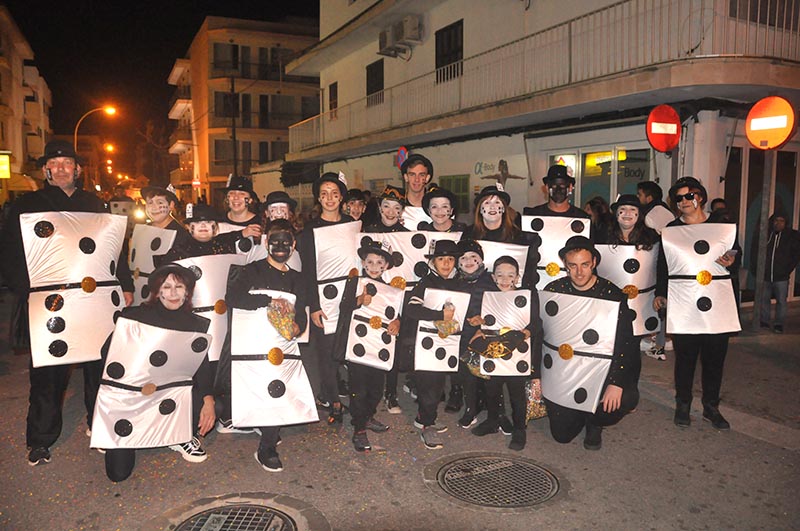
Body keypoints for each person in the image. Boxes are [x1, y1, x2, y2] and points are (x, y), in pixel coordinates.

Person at [0, 139, 134, 466]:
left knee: (98, 369)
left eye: (67, 163)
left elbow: (113, 248)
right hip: (50, 302)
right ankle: (40, 439)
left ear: (77, 169)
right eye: (54, 164)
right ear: (46, 170)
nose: (61, 169)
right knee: (48, 375)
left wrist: (125, 284)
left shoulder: (94, 203)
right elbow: (11, 252)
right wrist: (28, 290)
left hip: (93, 300)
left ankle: (99, 427)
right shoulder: (27, 205)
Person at [94, 264, 215, 481]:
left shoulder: (194, 324)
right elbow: (107, 355)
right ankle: (130, 435)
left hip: (171, 396)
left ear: (187, 292)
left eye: (179, 287)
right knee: (118, 474)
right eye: (166, 287)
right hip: (133, 397)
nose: (173, 293)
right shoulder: (135, 317)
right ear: (157, 292)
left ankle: (179, 436)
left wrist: (208, 400)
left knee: (216, 406)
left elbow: (201, 366)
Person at [221, 219, 309, 471]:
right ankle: (266, 426)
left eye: (286, 242)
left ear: (293, 245)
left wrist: (298, 327)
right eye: (275, 242)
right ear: (266, 243)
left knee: (277, 389)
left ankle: (267, 446)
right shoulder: (251, 271)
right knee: (258, 391)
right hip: (251, 344)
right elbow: (233, 298)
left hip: (281, 346)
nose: (280, 247)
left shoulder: (298, 278)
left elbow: (301, 311)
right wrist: (269, 300)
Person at [655, 177, 741, 430]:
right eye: (678, 198)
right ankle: (683, 403)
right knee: (685, 358)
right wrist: (661, 292)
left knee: (715, 359)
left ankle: (711, 407)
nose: (683, 201)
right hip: (684, 301)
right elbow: (663, 265)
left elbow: (736, 253)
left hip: (717, 301)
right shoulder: (671, 229)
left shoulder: (721, 225)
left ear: (700, 197)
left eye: (688, 196)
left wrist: (732, 261)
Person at [541, 236, 640, 450]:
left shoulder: (612, 294)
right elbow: (542, 335)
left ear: (594, 262)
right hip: (566, 371)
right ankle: (580, 411)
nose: (579, 272)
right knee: (562, 435)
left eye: (585, 264)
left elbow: (625, 342)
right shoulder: (554, 290)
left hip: (602, 370)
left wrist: (616, 383)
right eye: (573, 265)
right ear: (565, 265)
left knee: (626, 399)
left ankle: (595, 422)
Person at [334, 239, 402, 451]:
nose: (374, 266)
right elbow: (343, 307)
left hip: (379, 347)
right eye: (369, 262)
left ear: (386, 266)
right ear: (363, 263)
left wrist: (398, 322)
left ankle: (368, 416)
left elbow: (398, 314)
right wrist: (358, 300)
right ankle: (359, 428)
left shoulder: (392, 291)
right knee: (359, 390)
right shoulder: (355, 283)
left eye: (379, 263)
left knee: (376, 390)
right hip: (357, 346)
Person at [469, 256, 543, 451]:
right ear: (493, 277)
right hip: (492, 351)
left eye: (510, 275)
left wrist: (523, 334)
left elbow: (537, 322)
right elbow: (481, 320)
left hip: (517, 352)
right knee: (491, 389)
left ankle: (519, 429)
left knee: (517, 394)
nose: (504, 279)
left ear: (517, 277)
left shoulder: (526, 296)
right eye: (500, 275)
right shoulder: (488, 297)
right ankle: (493, 420)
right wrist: (477, 323)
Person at [298, 172, 355, 424]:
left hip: (351, 295)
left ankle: (354, 398)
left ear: (341, 197)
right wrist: (314, 306)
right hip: (323, 299)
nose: (329, 198)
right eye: (324, 194)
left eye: (334, 193)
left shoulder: (353, 226)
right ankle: (334, 401)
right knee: (327, 354)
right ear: (318, 199)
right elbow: (308, 271)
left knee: (351, 350)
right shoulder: (310, 231)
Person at [405, 240, 465, 449]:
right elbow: (412, 310)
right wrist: (439, 315)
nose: (446, 263)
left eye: (450, 259)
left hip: (449, 343)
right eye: (441, 259)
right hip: (427, 343)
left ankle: (426, 417)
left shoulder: (460, 283)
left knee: (438, 385)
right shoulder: (425, 283)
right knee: (428, 386)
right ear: (433, 262)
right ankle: (426, 425)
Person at [598, 194, 662, 361]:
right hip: (611, 302)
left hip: (641, 302)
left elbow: (660, 267)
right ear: (616, 213)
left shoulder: (652, 238)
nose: (627, 213)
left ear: (639, 214)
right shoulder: (603, 237)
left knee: (633, 347)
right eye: (623, 209)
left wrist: (660, 293)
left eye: (632, 209)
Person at [454, 239, 495, 428]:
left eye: (473, 256)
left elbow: (500, 307)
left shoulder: (491, 281)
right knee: (466, 374)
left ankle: (495, 411)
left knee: (490, 375)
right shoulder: (456, 282)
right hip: (463, 335)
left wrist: (484, 322)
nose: (468, 261)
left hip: (487, 335)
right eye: (463, 258)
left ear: (481, 260)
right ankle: (470, 407)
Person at [761, 213, 800, 333]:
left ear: (785, 222)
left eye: (781, 220)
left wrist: (787, 269)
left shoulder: (791, 236)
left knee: (781, 301)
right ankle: (764, 320)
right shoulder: (767, 234)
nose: (778, 223)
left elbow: (795, 255)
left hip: (781, 276)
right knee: (764, 299)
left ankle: (779, 323)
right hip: (766, 275)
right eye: (776, 220)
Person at [523, 165, 590, 219]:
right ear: (547, 188)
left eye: (562, 186)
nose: (558, 190)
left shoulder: (582, 218)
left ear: (570, 188)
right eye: (554, 186)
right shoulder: (533, 216)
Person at [400, 153, 435, 229]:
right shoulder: (395, 207)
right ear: (406, 177)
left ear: (427, 178)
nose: (416, 179)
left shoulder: (436, 207)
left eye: (421, 175)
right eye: (412, 174)